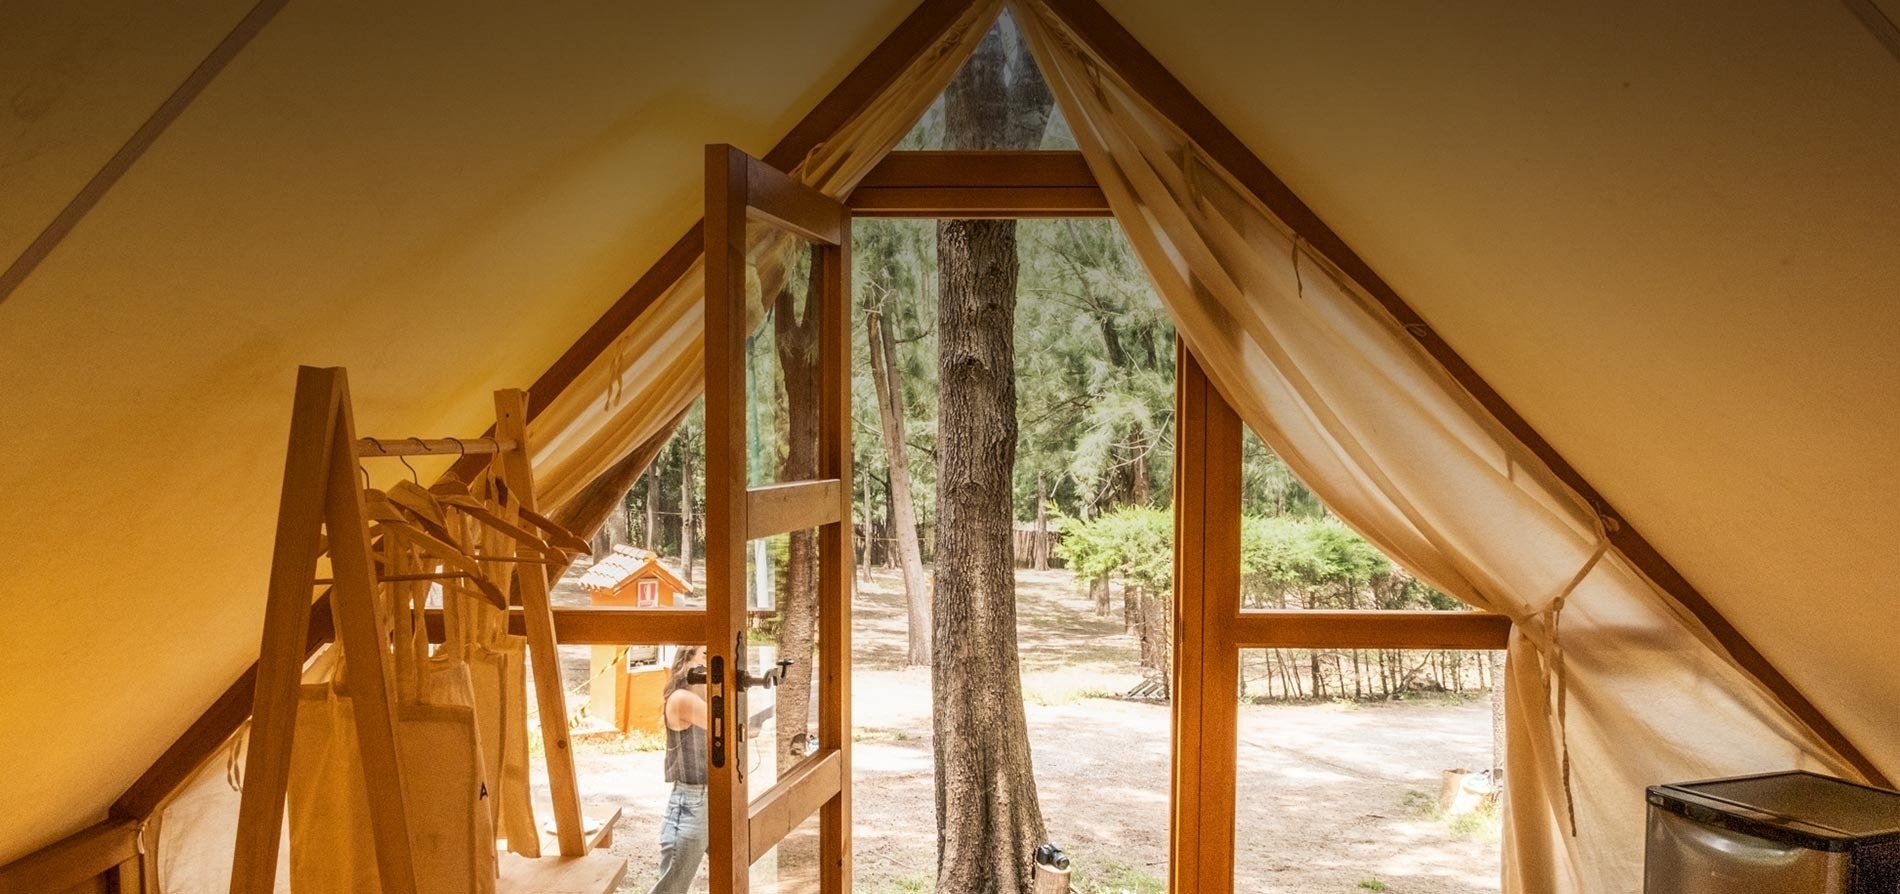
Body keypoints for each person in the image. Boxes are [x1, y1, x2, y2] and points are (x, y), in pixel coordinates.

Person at [649, 646, 710, 894]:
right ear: (687, 660)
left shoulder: (701, 696)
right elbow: (727, 725)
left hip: (709, 798)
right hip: (692, 801)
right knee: (671, 889)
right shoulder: (682, 698)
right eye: (706, 655)